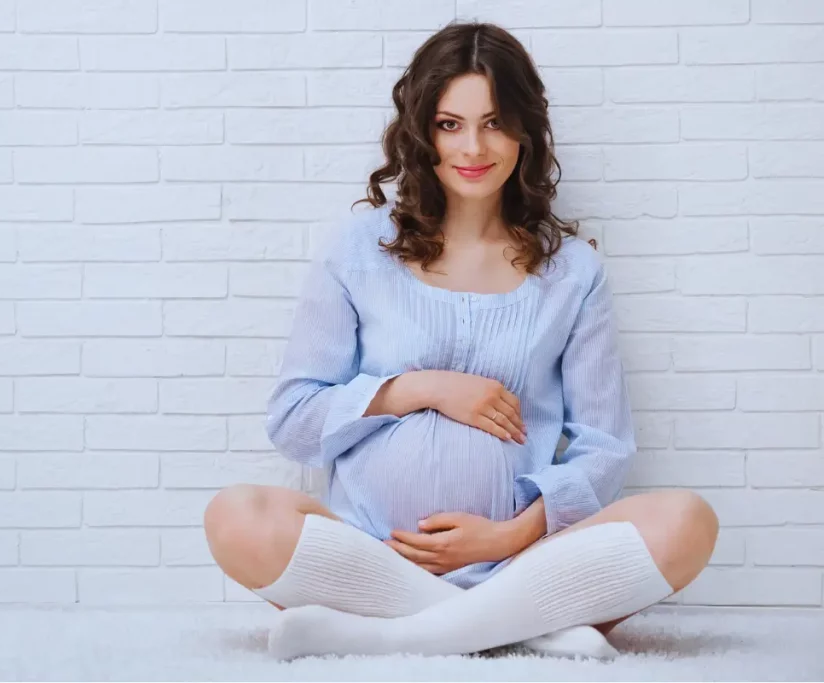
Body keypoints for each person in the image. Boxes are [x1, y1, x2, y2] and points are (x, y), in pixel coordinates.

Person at [203, 21, 719, 661]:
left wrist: (510, 537)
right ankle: (514, 630)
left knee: (686, 522)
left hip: (522, 561)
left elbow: (605, 446)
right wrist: (420, 389)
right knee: (236, 516)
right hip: (372, 553)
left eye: (495, 122)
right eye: (450, 124)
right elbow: (293, 420)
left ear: (525, 131)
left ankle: (393, 633)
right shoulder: (359, 249)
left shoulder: (572, 272)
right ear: (421, 131)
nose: (473, 146)